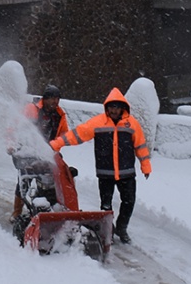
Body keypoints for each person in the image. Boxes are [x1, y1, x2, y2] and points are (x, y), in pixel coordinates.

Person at [49, 87, 150, 244]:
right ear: (107, 107)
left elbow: (140, 146)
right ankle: (107, 230)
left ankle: (122, 228)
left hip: (127, 172)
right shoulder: (98, 122)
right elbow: (77, 134)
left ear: (122, 107)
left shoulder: (132, 124)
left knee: (129, 202)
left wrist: (146, 166)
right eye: (111, 107)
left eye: (116, 107)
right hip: (106, 173)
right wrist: (57, 143)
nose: (113, 110)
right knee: (105, 205)